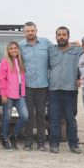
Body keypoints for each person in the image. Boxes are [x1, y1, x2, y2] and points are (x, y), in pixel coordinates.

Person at [47, 26, 84, 154]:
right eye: (59, 35)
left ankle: (73, 144)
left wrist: (80, 77)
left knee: (70, 119)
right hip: (53, 90)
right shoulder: (51, 50)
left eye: (64, 35)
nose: (61, 37)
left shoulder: (77, 50)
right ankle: (54, 144)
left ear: (68, 36)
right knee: (54, 118)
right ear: (56, 37)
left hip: (70, 90)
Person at [19, 21, 53, 152]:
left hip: (43, 85)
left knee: (40, 114)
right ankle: (28, 142)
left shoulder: (46, 43)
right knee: (28, 115)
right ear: (24, 32)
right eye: (27, 31)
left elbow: (57, 52)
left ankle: (41, 142)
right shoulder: (21, 46)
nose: (30, 33)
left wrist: (75, 45)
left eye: (32, 30)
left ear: (36, 30)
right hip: (27, 86)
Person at [0, 41, 29, 150]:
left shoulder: (21, 61)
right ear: (8, 51)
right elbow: (2, 79)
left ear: (18, 49)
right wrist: (3, 94)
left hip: (21, 93)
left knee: (25, 116)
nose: (14, 50)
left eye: (15, 48)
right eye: (11, 48)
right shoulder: (4, 62)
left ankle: (14, 136)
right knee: (7, 117)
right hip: (9, 93)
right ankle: (5, 139)